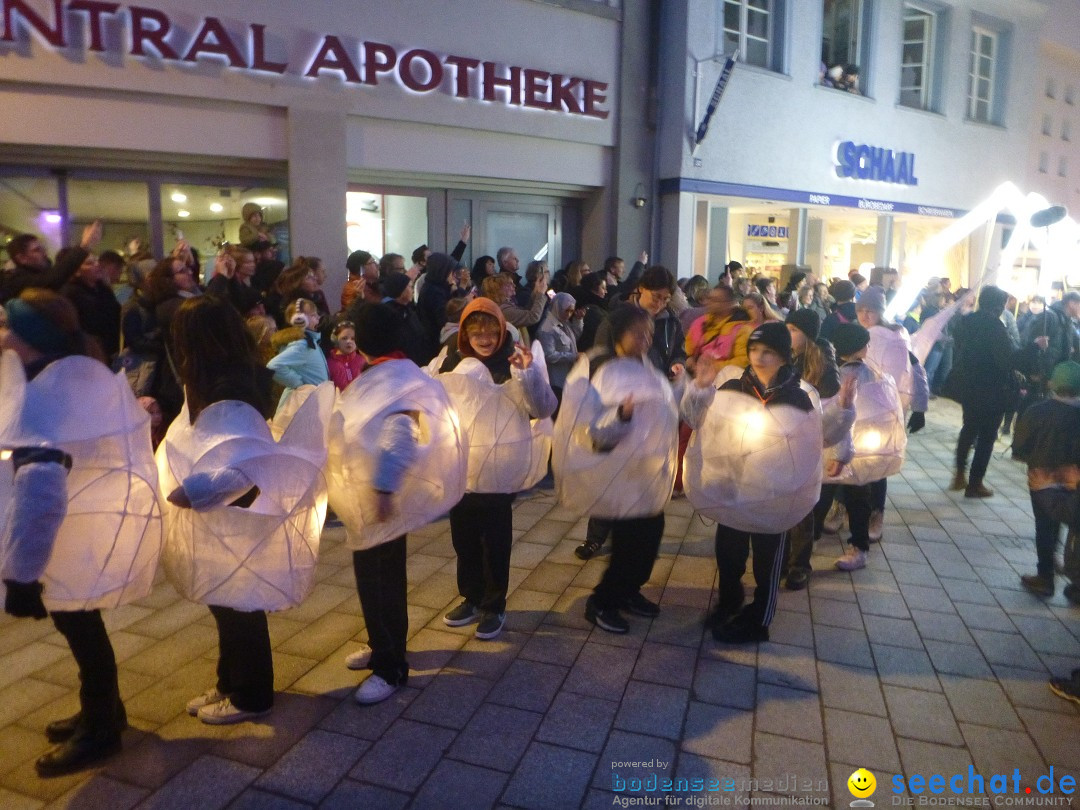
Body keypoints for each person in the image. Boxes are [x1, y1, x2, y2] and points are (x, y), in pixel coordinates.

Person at [1, 289, 160, 775]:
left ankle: (101, 729)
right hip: (82, 523)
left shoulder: (43, 392)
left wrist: (21, 576)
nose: (0, 331)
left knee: (81, 627)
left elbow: (42, 487)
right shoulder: (65, 374)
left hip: (65, 533)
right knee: (82, 626)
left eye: (7, 324)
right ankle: (104, 711)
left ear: (28, 336)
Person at [163, 295, 312, 726]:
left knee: (239, 603)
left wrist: (192, 491)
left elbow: (246, 466)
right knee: (225, 600)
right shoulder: (216, 379)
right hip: (222, 516)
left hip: (235, 514)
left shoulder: (230, 388)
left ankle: (251, 694)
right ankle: (230, 681)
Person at [329, 303, 466, 704]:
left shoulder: (394, 380)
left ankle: (391, 667)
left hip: (379, 500)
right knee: (374, 581)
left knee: (382, 583)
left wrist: (384, 489)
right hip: (369, 497)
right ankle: (383, 645)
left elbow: (400, 435)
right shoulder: (390, 372)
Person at [681, 323, 816, 643]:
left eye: (768, 352)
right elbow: (693, 418)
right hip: (735, 488)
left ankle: (759, 619)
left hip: (775, 494)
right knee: (729, 551)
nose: (758, 357)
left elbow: (811, 445)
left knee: (768, 559)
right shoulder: (733, 389)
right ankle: (729, 601)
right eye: (754, 350)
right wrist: (700, 387)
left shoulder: (797, 398)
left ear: (784, 356)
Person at [437, 299, 557, 639]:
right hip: (463, 469)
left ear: (502, 328)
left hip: (501, 473)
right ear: (465, 334)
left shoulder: (515, 360)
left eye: (491, 330)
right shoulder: (453, 361)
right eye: (476, 332)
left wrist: (528, 374)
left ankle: (494, 604)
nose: (485, 338)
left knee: (495, 542)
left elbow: (543, 408)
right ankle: (470, 598)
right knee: (464, 540)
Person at [555, 304, 678, 634]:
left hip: (646, 469)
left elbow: (663, 409)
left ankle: (629, 591)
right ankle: (603, 601)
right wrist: (622, 416)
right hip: (618, 470)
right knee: (627, 544)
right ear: (618, 332)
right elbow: (590, 429)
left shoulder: (644, 366)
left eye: (650, 334)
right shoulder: (600, 368)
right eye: (638, 333)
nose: (646, 340)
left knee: (650, 536)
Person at [1012, 361, 1080, 603]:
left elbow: (1019, 448)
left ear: (1053, 383)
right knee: (1073, 525)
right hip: (1074, 484)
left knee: (1044, 526)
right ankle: (1074, 579)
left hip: (1042, 482)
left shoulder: (1036, 411)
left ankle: (1045, 577)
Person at [817, 323, 879, 571]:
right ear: (857, 348)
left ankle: (804, 547)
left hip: (841, 445)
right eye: (866, 343)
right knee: (856, 498)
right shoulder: (855, 374)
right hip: (851, 447)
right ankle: (858, 548)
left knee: (824, 496)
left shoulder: (832, 371)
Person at [947, 286, 1016, 498]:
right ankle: (975, 482)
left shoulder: (966, 321)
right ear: (998, 305)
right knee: (987, 436)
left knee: (969, 428)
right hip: (991, 387)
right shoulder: (995, 326)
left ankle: (959, 473)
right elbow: (1006, 359)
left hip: (968, 383)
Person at [0, 221, 102, 304]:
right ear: (22, 258)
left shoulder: (42, 272)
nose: (44, 253)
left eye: (43, 248)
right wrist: (84, 247)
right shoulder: (16, 280)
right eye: (37, 250)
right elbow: (52, 279)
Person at [59, 248, 122, 362]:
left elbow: (115, 314)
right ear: (76, 271)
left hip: (109, 351)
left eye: (96, 261)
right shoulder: (70, 293)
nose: (97, 265)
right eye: (89, 263)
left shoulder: (102, 288)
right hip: (87, 356)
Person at [266, 299, 329, 405]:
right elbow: (273, 366)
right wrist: (299, 384)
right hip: (305, 403)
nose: (318, 317)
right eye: (313, 315)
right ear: (300, 319)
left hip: (312, 402)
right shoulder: (302, 345)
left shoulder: (311, 342)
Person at [537, 291, 581, 403]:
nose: (569, 314)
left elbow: (573, 337)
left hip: (566, 378)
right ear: (557, 307)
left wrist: (578, 320)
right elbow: (548, 355)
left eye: (571, 311)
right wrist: (573, 357)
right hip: (556, 381)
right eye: (566, 310)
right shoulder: (547, 327)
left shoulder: (563, 323)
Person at [327, 319, 365, 390]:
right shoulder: (329, 364)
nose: (349, 341)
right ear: (335, 340)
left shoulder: (363, 361)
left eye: (353, 338)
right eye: (344, 338)